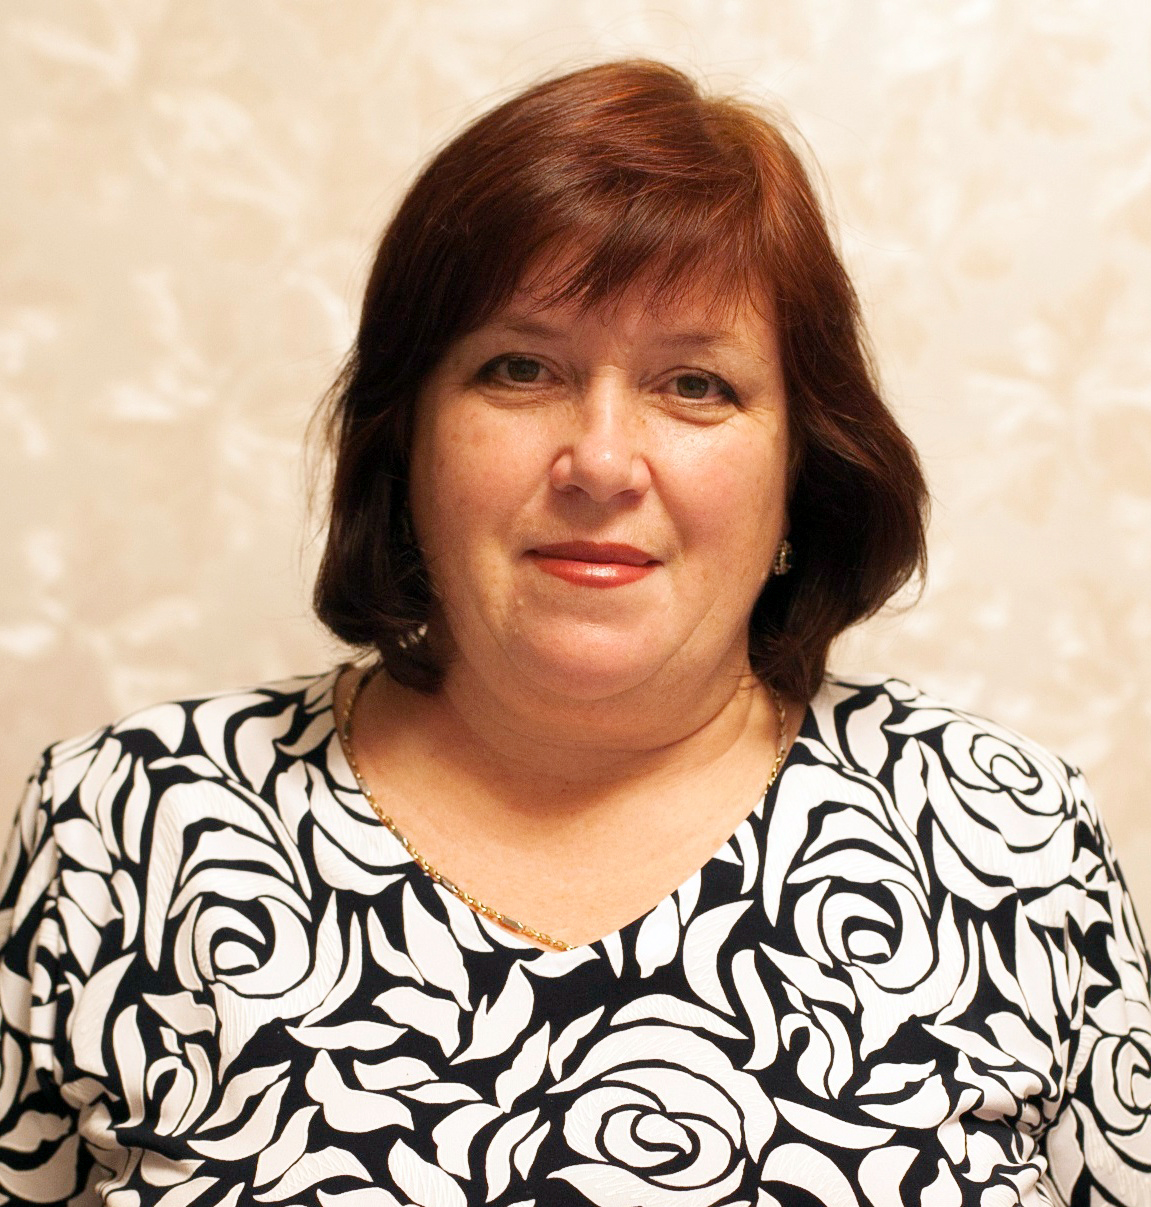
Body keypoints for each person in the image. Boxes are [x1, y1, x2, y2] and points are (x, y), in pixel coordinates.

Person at [1, 59, 1148, 1207]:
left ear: (800, 466)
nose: (599, 461)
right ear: (406, 440)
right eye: (520, 368)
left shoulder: (1008, 840)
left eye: (694, 384)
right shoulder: (121, 827)